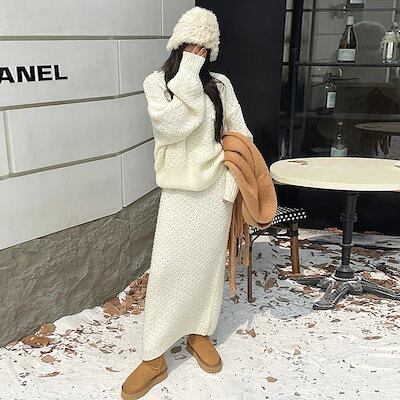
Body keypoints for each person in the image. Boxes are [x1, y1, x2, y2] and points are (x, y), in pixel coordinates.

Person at [120, 6, 253, 400]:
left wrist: (232, 183)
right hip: (179, 193)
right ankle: (153, 355)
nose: (199, 51)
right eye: (192, 44)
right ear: (178, 43)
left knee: (208, 269)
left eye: (205, 47)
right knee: (168, 270)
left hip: (216, 191)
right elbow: (171, 128)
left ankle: (199, 332)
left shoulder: (221, 85)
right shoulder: (157, 83)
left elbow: (240, 133)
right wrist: (189, 74)